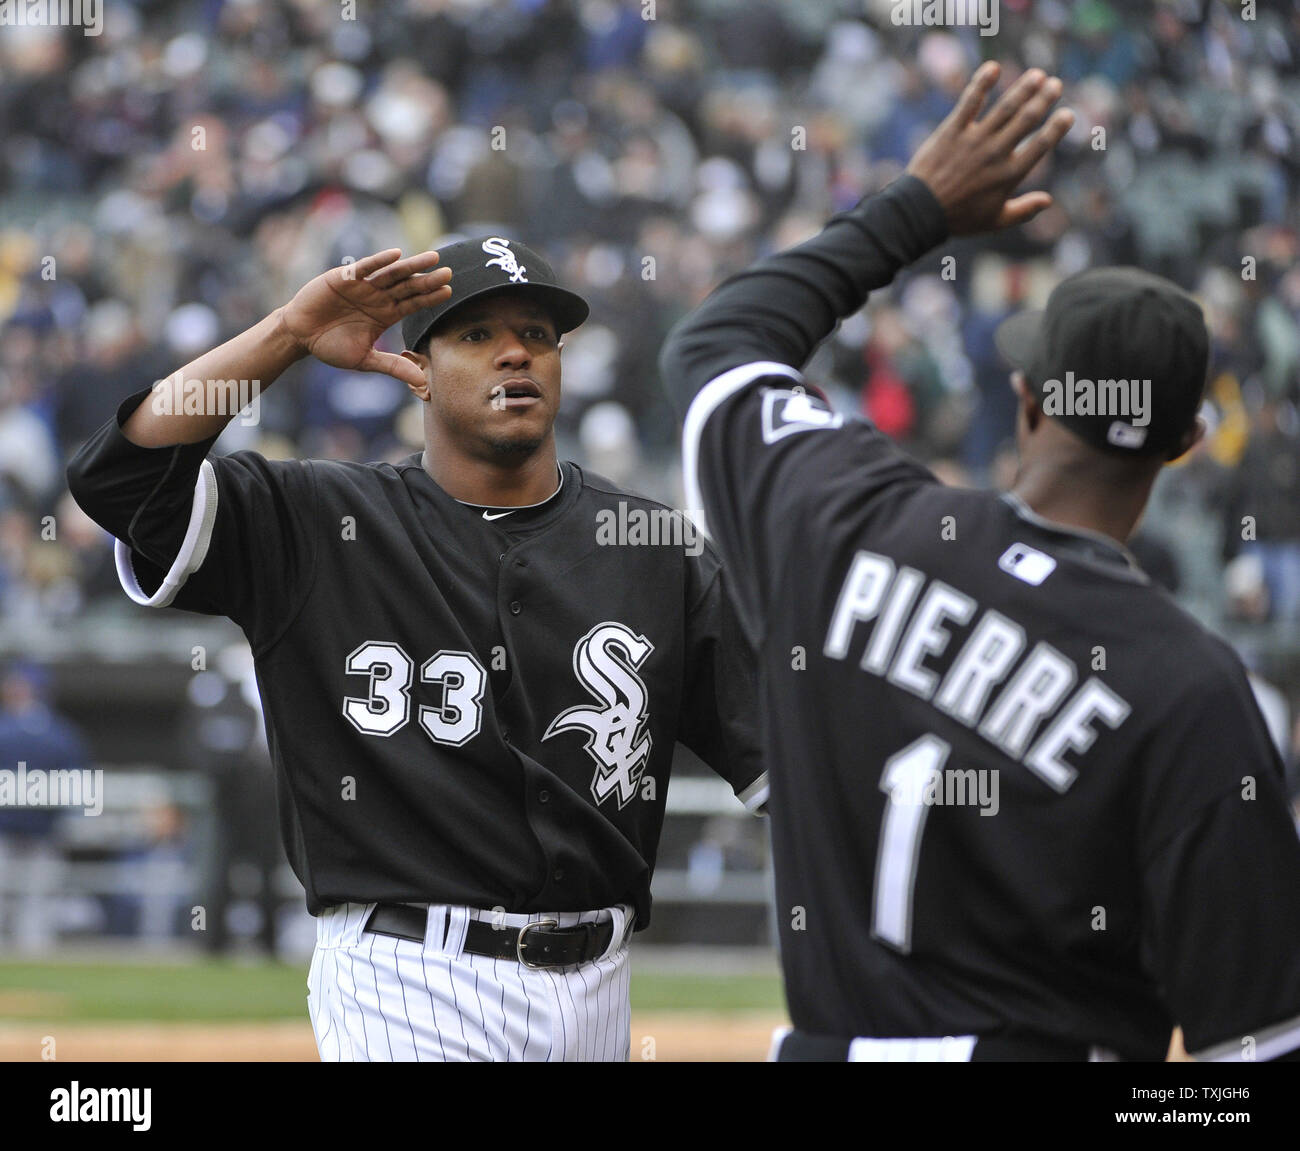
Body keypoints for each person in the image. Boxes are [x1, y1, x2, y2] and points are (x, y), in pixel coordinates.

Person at [661, 63, 1300, 1062]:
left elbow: (718, 343)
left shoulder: (841, 515)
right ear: (1182, 442)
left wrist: (913, 210)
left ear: (1029, 398)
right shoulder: (1192, 690)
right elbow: (1255, 1057)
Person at [67, 236, 763, 1061]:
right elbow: (120, 477)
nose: (516, 352)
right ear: (417, 367)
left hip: (600, 987)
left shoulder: (652, 548)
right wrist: (288, 333)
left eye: (538, 335)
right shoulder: (321, 520)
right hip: (407, 976)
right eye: (476, 335)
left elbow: (784, 760)